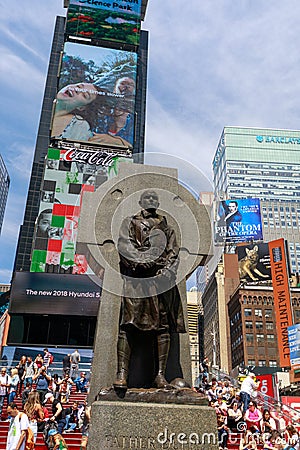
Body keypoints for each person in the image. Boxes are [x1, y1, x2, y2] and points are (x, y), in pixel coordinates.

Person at [114, 190, 186, 389]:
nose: (151, 200)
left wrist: (165, 271)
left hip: (159, 283)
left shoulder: (168, 228)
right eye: (148, 198)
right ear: (140, 202)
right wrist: (139, 261)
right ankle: (121, 374)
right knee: (128, 324)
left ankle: (160, 375)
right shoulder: (130, 222)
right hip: (136, 282)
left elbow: (174, 253)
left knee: (162, 327)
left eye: (154, 198)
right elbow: (124, 245)